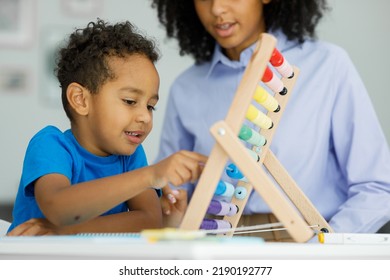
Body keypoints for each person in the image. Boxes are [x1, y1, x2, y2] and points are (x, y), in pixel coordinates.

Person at [152, 0, 390, 241]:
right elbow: (170, 194)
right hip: (217, 247)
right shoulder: (186, 88)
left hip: (306, 243)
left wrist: (326, 246)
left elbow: (377, 187)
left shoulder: (328, 65)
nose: (216, 9)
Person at [7, 19, 207, 236]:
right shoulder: (51, 144)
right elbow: (58, 208)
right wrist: (150, 175)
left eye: (151, 106)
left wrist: (66, 231)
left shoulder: (130, 156)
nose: (145, 117)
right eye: (130, 101)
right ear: (80, 100)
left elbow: (150, 219)